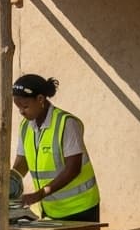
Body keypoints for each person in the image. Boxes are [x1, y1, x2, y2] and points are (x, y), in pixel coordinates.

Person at [11, 74, 100, 222]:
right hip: (50, 209)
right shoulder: (25, 127)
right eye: (18, 107)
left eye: (25, 106)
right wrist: (8, 182)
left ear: (40, 99)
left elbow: (73, 168)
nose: (21, 112)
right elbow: (22, 162)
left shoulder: (67, 123)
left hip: (80, 208)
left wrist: (38, 195)